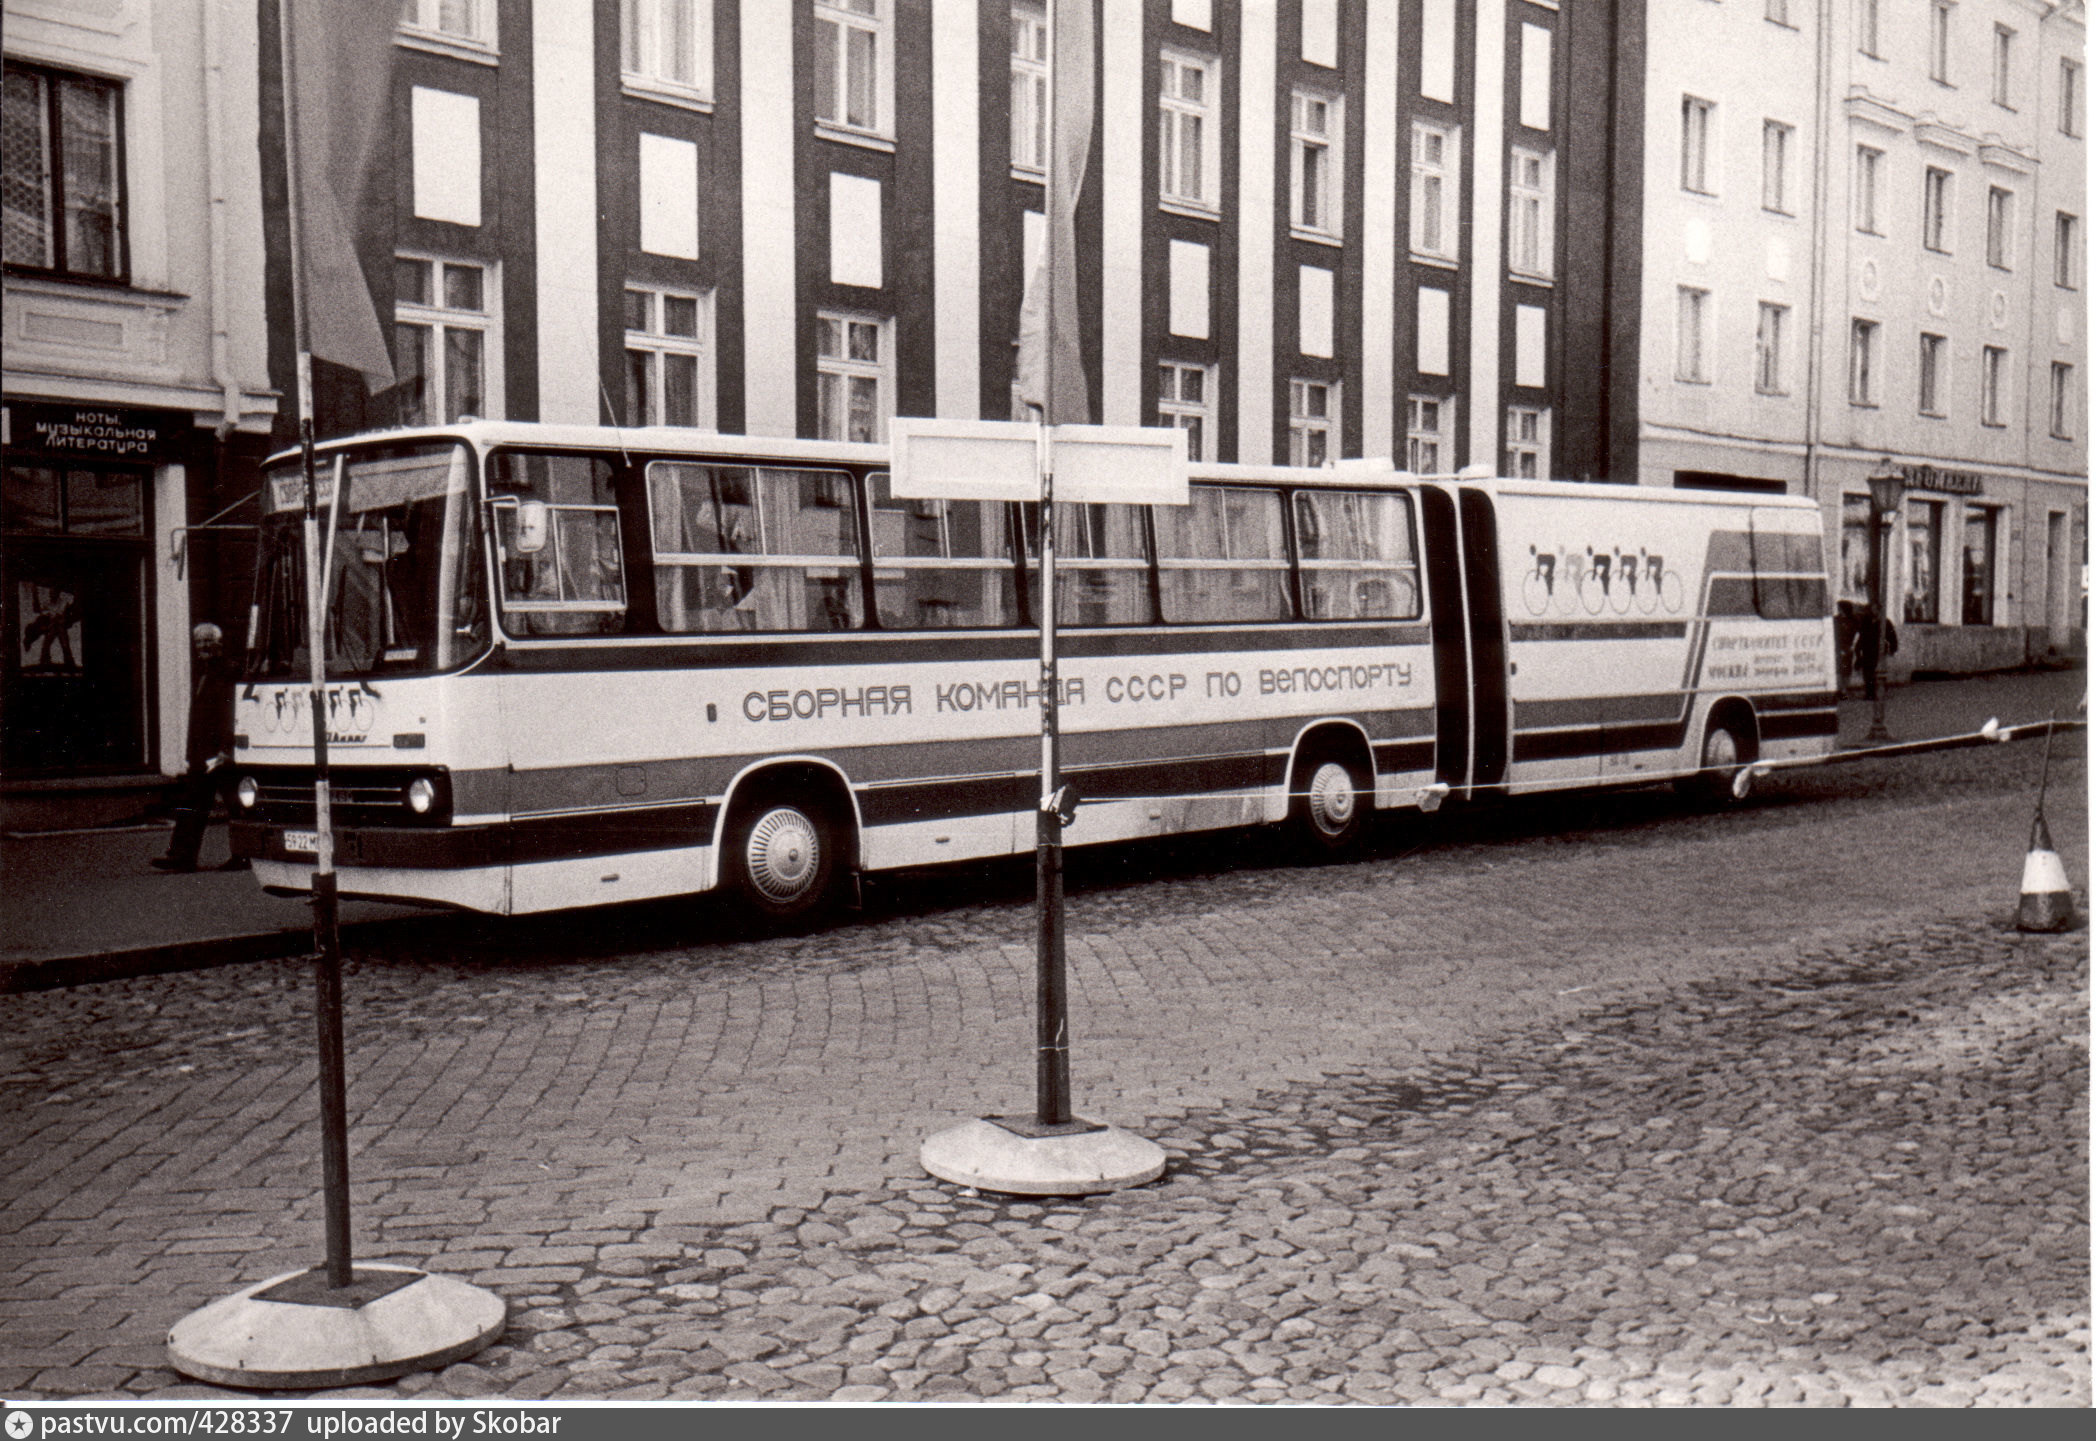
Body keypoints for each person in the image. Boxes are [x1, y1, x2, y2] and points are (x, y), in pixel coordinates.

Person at [153, 622, 244, 872]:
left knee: (236, 803)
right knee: (192, 802)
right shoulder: (202, 673)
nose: (203, 646)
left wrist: (227, 749)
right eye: (199, 642)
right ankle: (182, 856)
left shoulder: (229, 671)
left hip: (220, 754)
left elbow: (231, 713)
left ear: (219, 644)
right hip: (201, 753)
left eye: (208, 641)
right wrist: (191, 753)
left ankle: (243, 854)